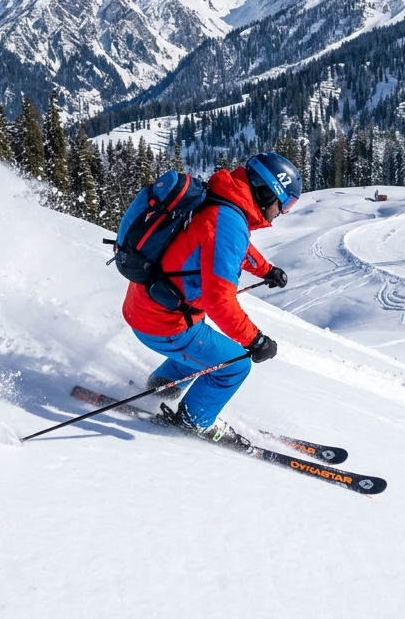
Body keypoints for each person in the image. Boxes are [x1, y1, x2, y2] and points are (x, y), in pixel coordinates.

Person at [121, 152, 301, 446]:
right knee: (234, 365)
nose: (282, 212)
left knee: (201, 357)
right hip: (165, 322)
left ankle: (160, 389)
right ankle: (195, 421)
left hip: (144, 305)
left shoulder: (220, 199)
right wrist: (255, 341)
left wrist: (266, 269)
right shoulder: (228, 223)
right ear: (268, 191)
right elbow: (220, 301)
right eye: (286, 204)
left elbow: (224, 246)